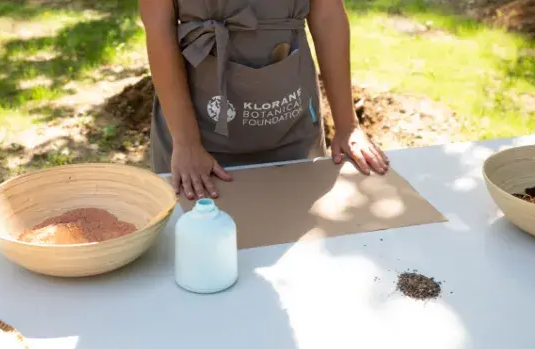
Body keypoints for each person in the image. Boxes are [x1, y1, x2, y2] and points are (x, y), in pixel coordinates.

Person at [139, 0, 390, 200]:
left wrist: (347, 125)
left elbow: (328, 15)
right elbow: (159, 29)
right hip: (198, 145)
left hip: (293, 129)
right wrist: (187, 142)